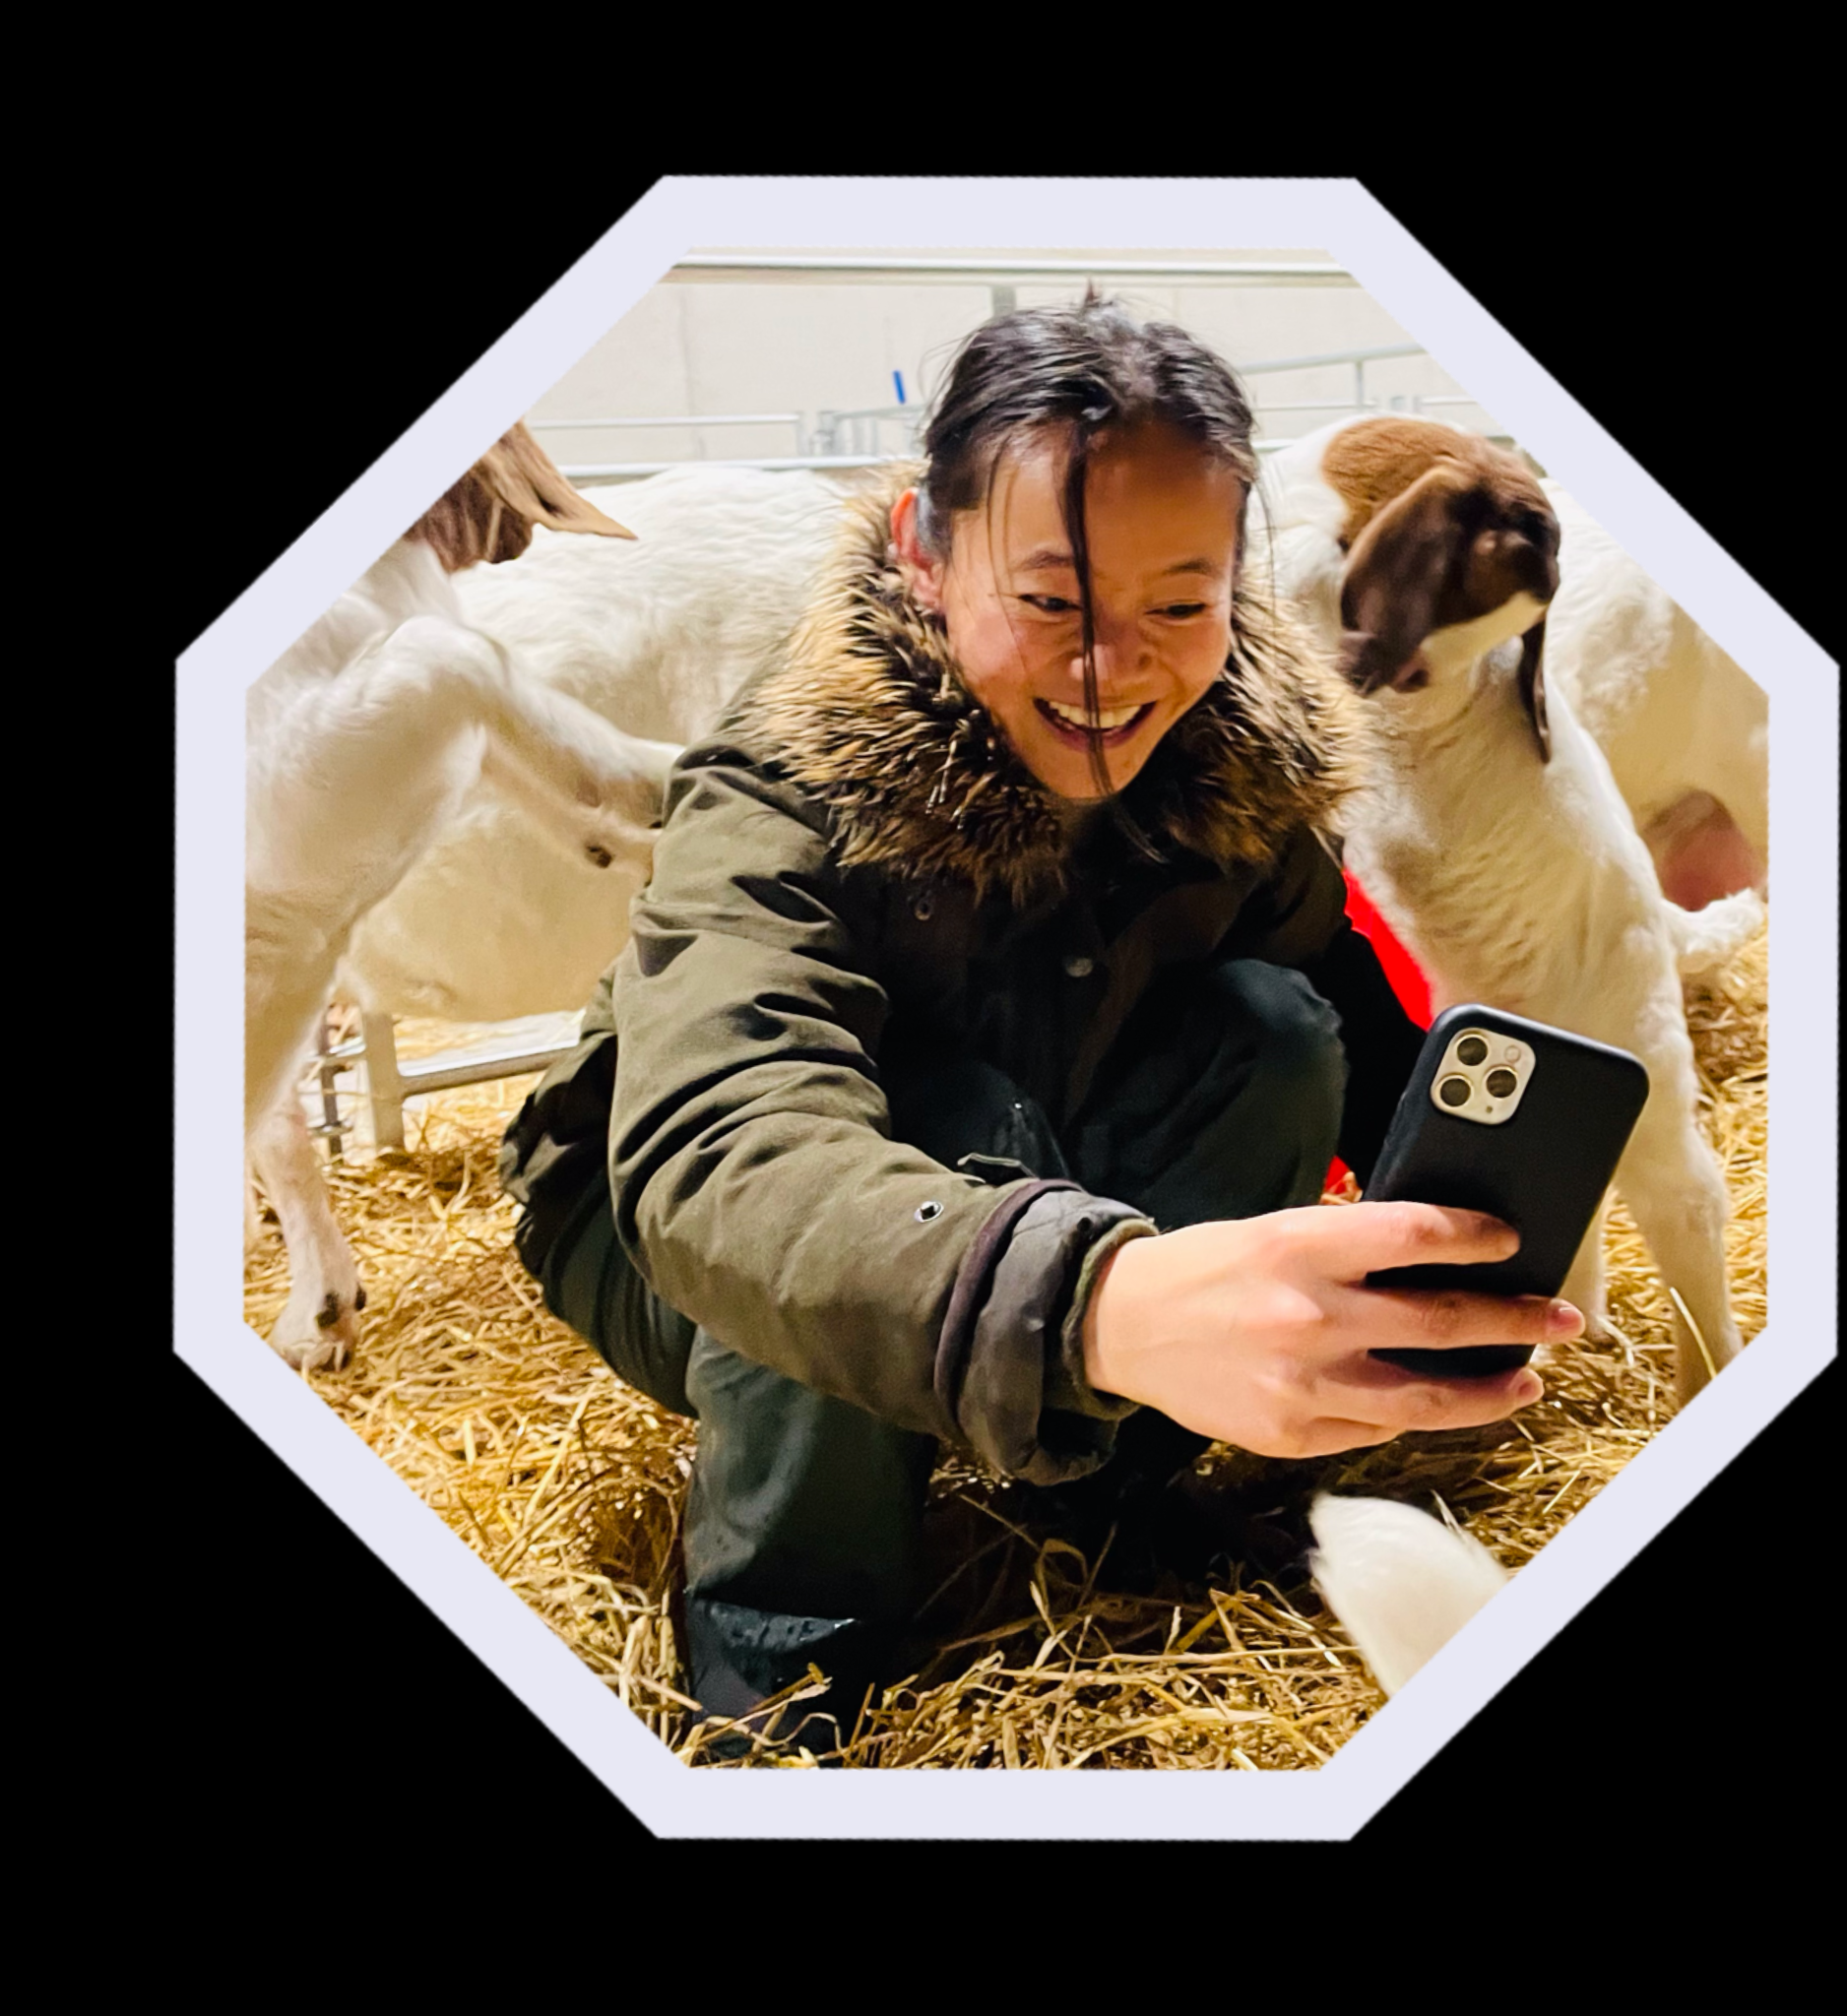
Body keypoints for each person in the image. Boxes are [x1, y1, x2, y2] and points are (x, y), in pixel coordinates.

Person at [499, 296, 1580, 1752]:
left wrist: (1462, 1239)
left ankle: (1116, 1488)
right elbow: (728, 1152)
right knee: (912, 1136)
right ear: (924, 552)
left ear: (1237, 586)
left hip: (1030, 1159)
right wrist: (1099, 1307)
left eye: (1179, 606)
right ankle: (781, 1660)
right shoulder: (782, 781)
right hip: (667, 1229)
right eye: (1054, 602)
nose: (1111, 670)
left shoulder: (1233, 764)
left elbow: (1328, 989)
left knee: (1271, 1035)